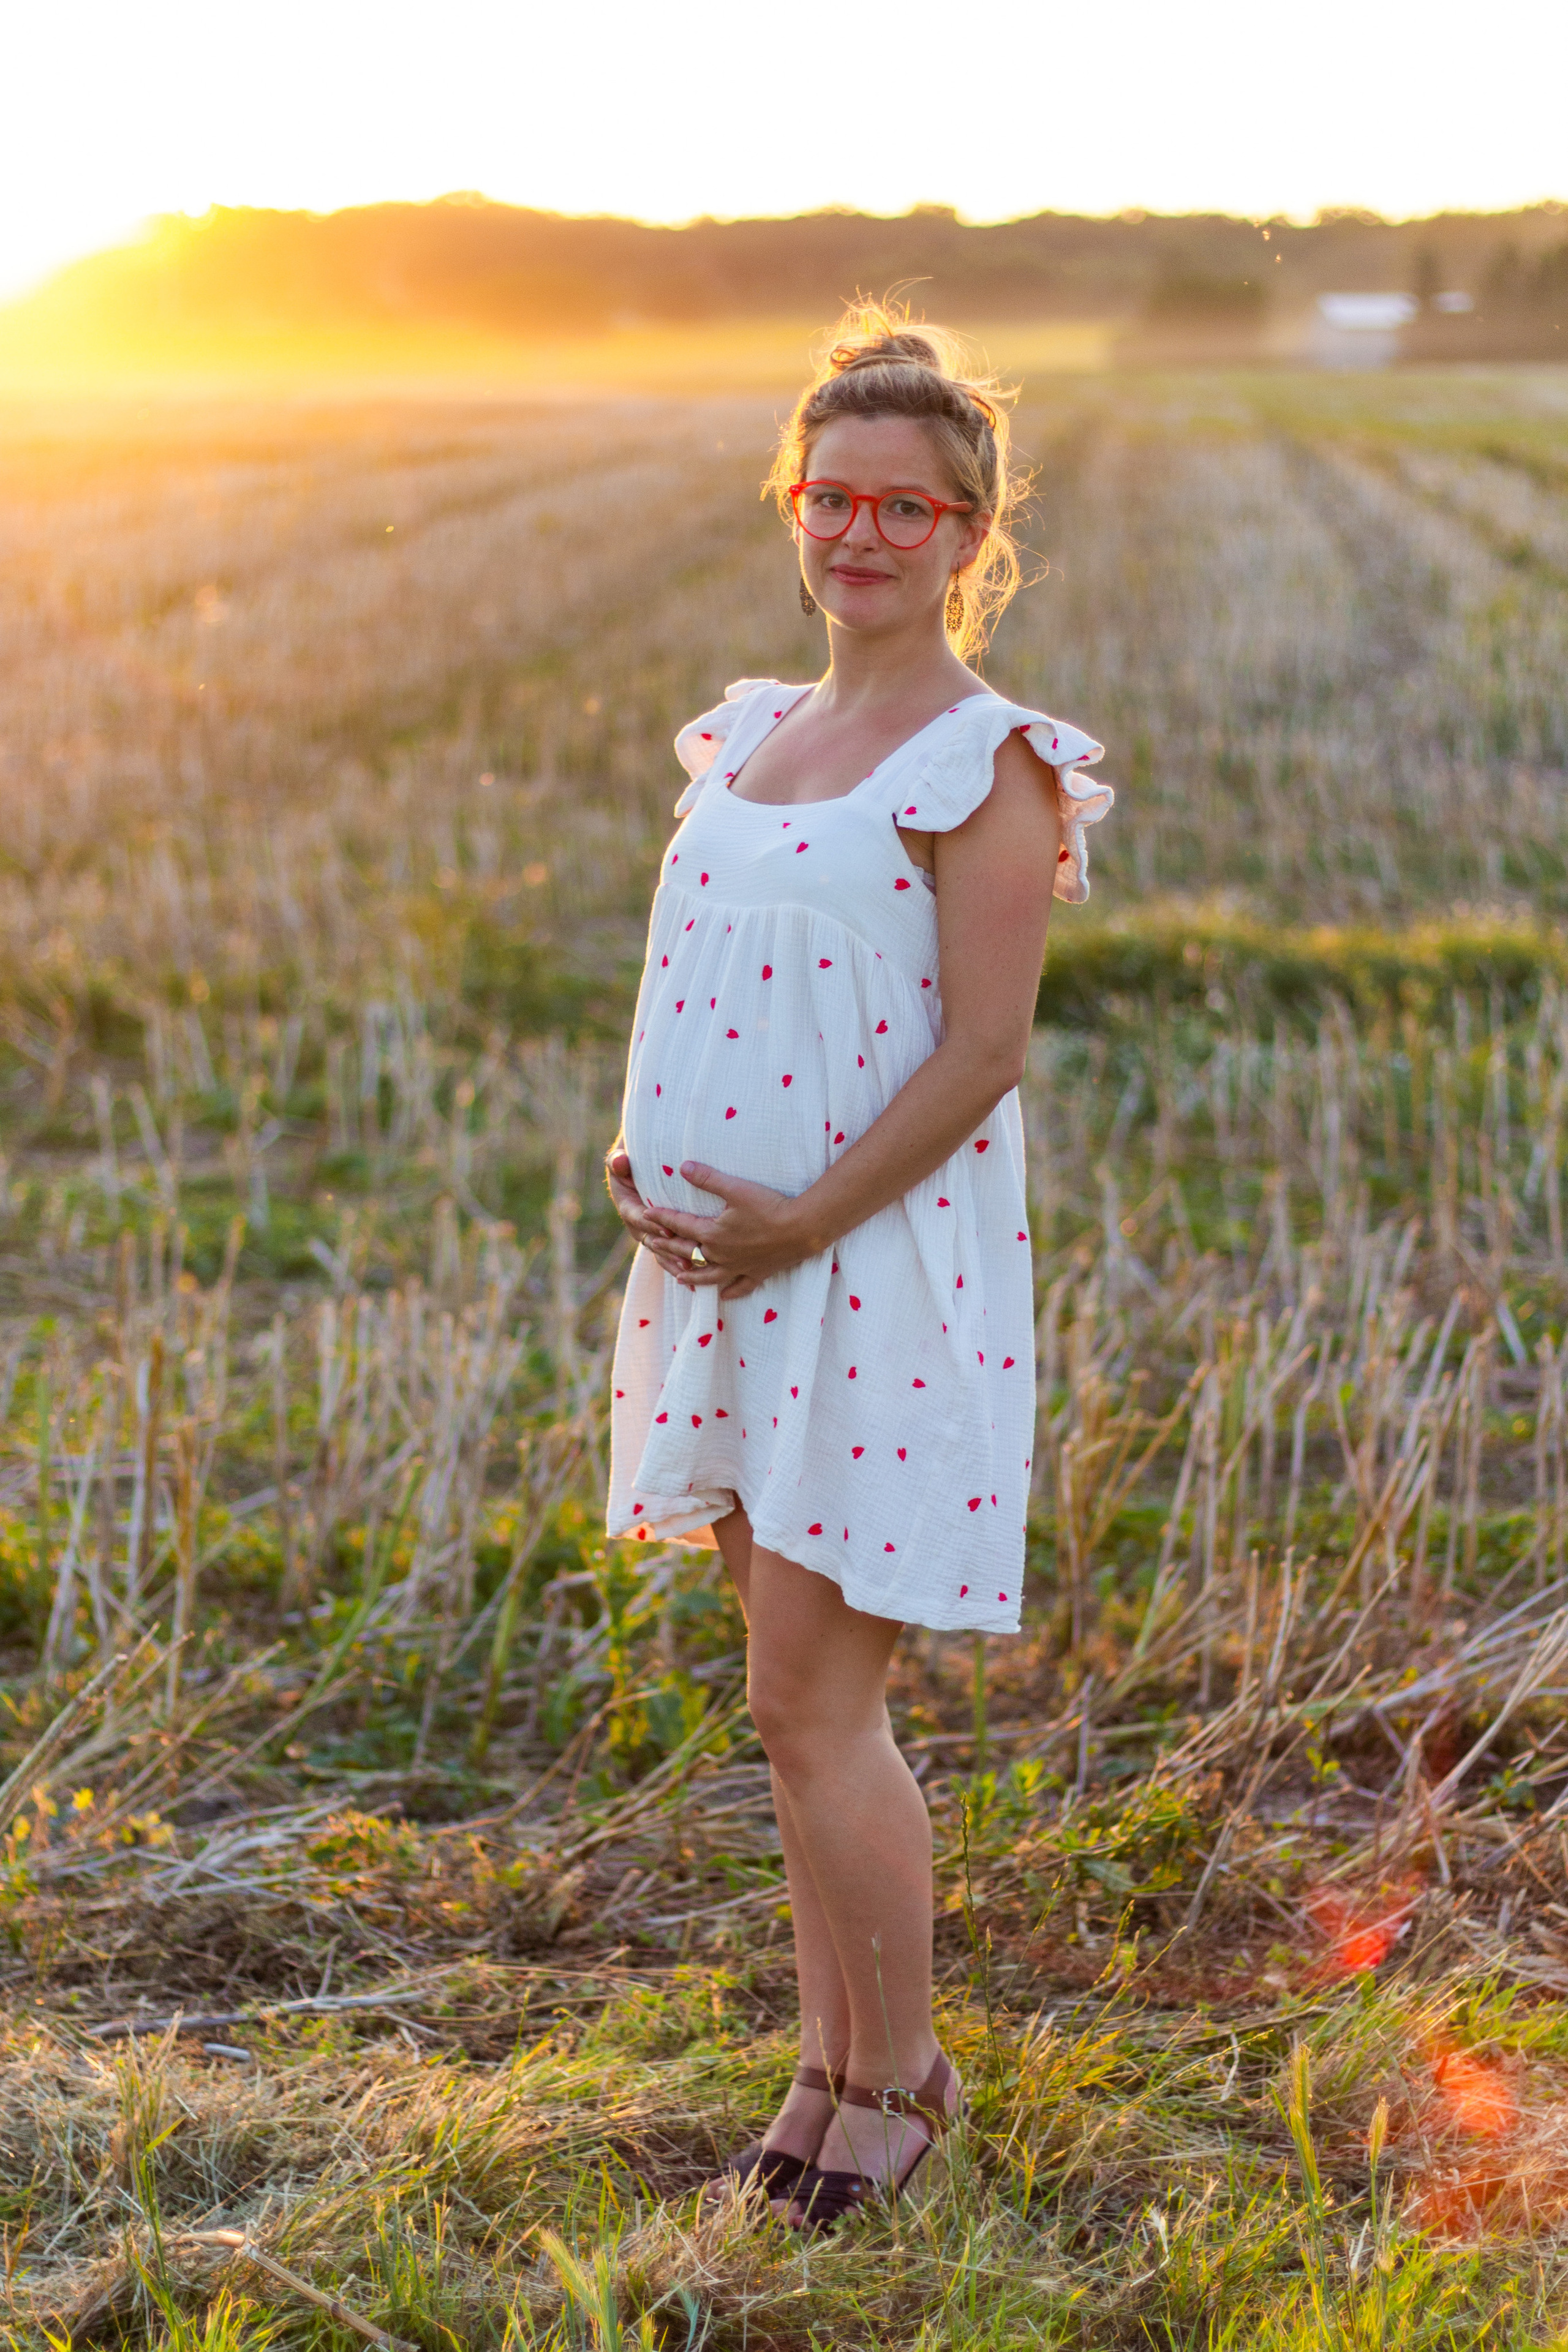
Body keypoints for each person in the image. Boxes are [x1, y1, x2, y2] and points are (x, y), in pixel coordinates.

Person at [601, 307, 1112, 2231]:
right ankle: (825, 2069)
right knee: (779, 1699)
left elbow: (981, 1053)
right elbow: (706, 984)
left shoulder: (991, 765)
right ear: (792, 508)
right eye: (833, 495)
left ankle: (900, 2086)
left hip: (871, 1276)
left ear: (974, 532)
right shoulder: (749, 732)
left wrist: (804, 1219)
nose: (864, 533)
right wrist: (643, 1146)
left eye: (911, 505)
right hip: (724, 1270)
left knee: (827, 1703)